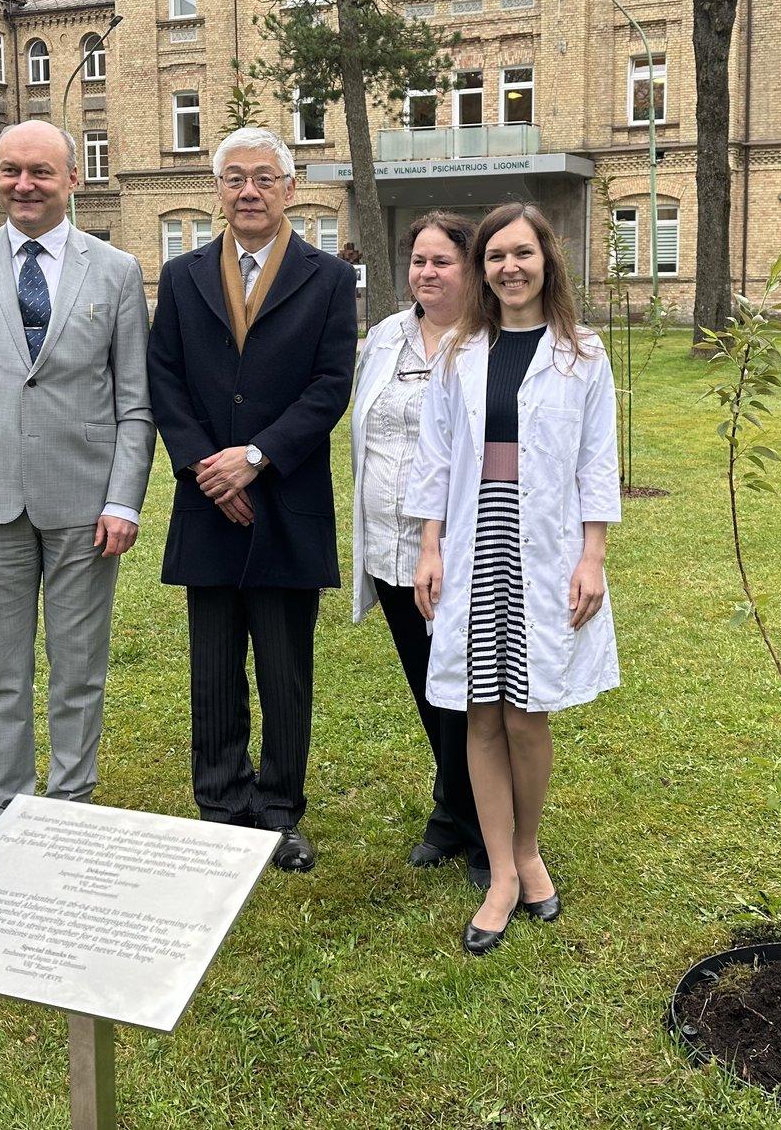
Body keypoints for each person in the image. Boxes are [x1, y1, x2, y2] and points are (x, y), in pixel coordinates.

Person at [0, 120, 155, 825]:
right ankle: (10, 809)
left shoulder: (114, 271)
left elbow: (134, 402)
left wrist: (125, 501)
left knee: (78, 668)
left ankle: (70, 806)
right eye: (11, 171)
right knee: (2, 672)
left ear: (73, 181)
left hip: (85, 506)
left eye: (41, 172)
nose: (24, 185)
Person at [411, 203, 620, 953]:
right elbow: (435, 459)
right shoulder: (461, 350)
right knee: (480, 709)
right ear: (483, 269)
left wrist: (591, 556)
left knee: (529, 713)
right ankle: (500, 871)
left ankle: (529, 850)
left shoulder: (583, 354)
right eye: (495, 255)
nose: (509, 267)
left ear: (546, 260)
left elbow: (598, 461)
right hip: (473, 538)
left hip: (545, 543)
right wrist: (429, 547)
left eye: (522, 253)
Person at [147, 126, 357, 872]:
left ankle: (276, 811)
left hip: (285, 502)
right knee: (211, 666)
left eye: (264, 178)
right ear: (216, 191)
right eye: (234, 178)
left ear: (290, 188)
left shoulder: (328, 279)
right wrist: (210, 470)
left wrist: (257, 458)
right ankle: (219, 802)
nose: (249, 192)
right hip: (207, 499)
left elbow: (331, 386)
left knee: (283, 666)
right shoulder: (182, 277)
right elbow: (164, 380)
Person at [350, 211, 487, 887]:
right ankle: (451, 812)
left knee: (469, 693)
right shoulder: (384, 339)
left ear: (472, 267)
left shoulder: (491, 341)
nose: (427, 274)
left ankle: (484, 827)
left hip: (463, 550)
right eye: (418, 262)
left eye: (442, 262)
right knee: (429, 689)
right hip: (390, 546)